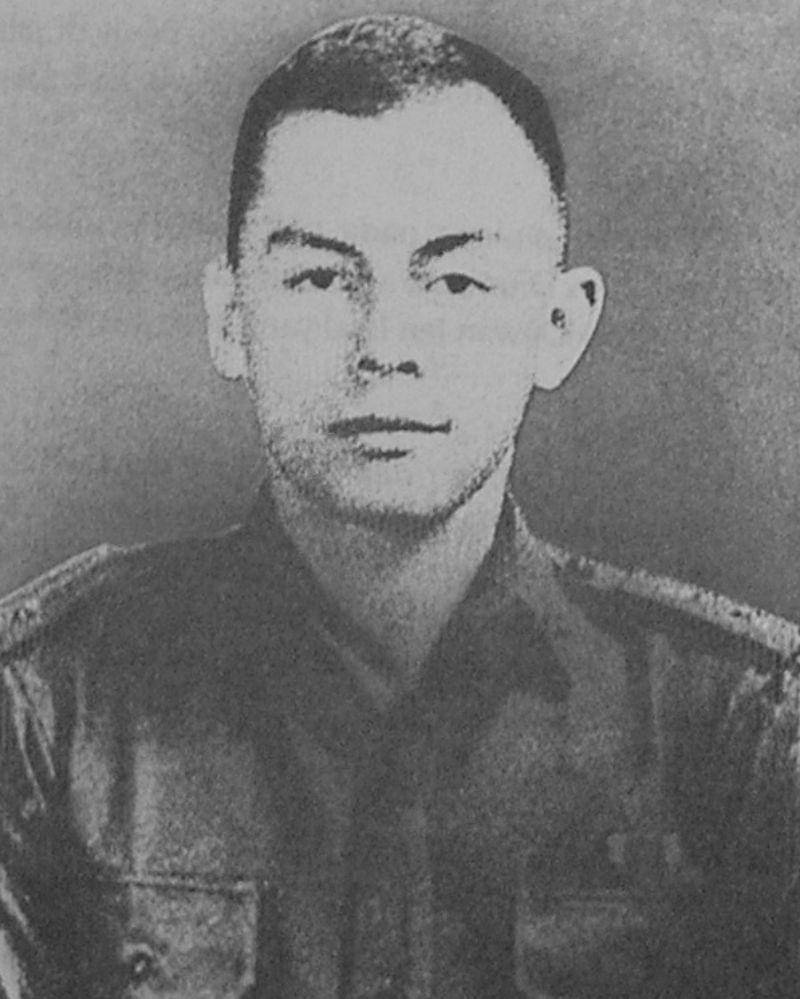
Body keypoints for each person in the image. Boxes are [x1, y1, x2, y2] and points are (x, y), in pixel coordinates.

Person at [1, 14, 798, 999]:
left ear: (556, 326)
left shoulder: (744, 731)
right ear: (230, 319)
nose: (384, 346)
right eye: (320, 277)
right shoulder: (43, 712)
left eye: (455, 281)